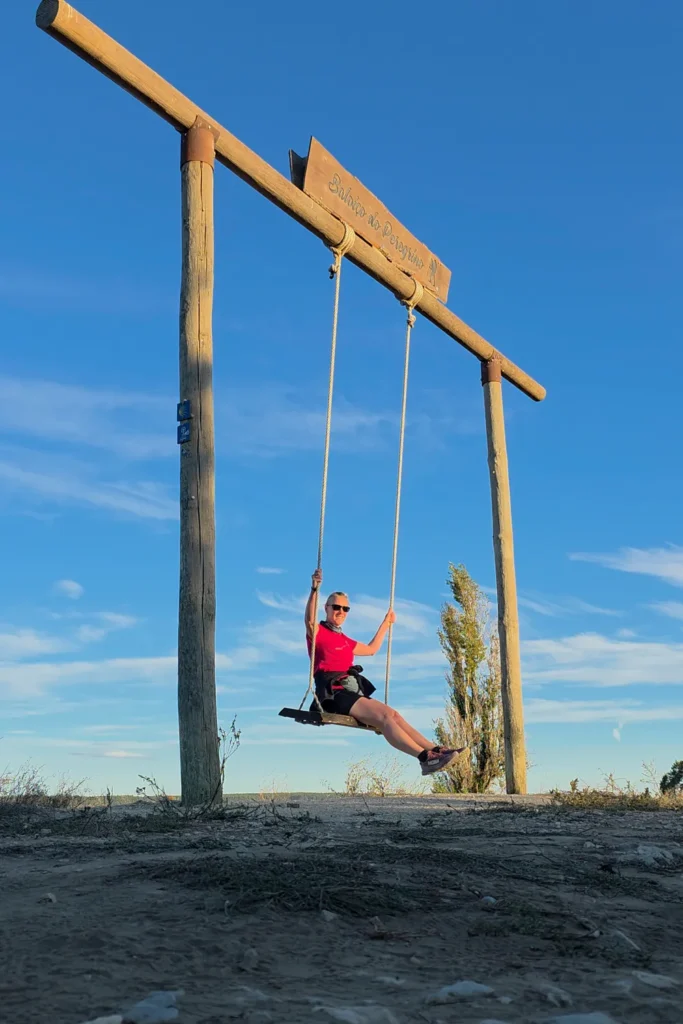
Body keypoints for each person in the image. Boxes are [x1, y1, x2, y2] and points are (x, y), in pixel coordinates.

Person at [305, 569, 465, 776]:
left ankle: (435, 750)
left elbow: (371, 649)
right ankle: (425, 759)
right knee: (384, 718)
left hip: (350, 691)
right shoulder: (318, 632)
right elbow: (309, 621)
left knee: (393, 715)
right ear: (326, 608)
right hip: (333, 693)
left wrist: (386, 623)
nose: (341, 611)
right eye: (336, 607)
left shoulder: (345, 641)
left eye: (345, 608)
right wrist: (314, 589)